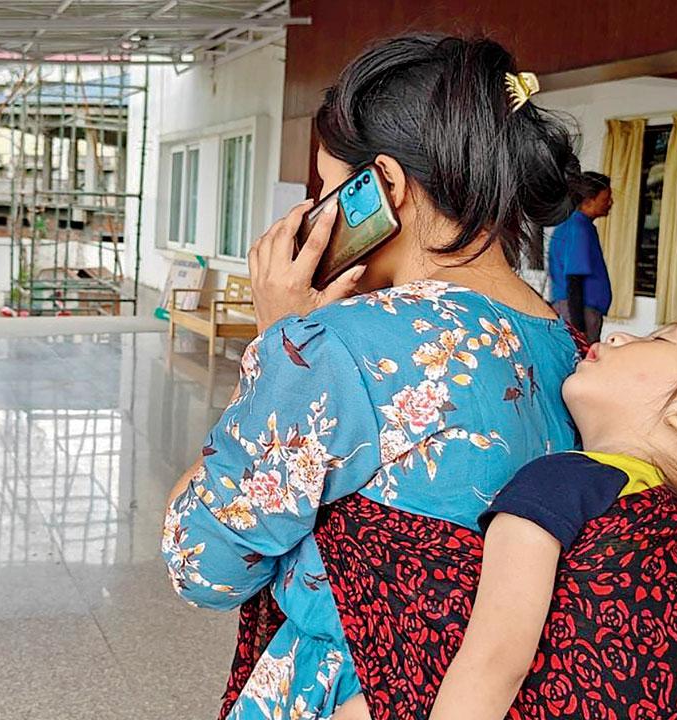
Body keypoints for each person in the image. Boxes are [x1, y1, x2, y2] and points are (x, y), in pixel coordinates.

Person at [161, 34, 583, 720]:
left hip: (355, 692)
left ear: (385, 186)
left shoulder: (337, 346)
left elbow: (205, 564)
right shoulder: (562, 342)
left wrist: (280, 349)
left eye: (330, 187)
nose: (320, 211)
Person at [338, 309, 677, 720]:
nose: (619, 335)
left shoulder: (559, 483)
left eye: (662, 339)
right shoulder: (672, 521)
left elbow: (495, 663)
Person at [547, 171, 613, 341]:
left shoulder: (577, 225)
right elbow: (574, 278)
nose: (610, 203)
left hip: (579, 308)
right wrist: (579, 327)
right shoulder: (579, 228)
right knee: (581, 361)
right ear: (588, 200)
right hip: (578, 310)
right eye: (606, 199)